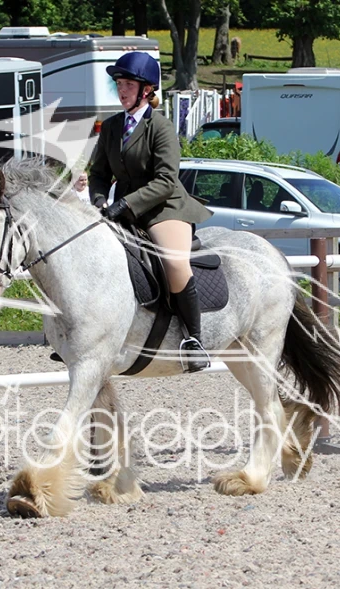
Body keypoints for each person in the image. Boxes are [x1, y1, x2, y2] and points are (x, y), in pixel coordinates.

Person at [89, 52, 213, 373]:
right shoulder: (111, 127)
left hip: (164, 208)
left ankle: (194, 340)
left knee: (173, 261)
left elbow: (166, 180)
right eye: (119, 84)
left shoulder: (161, 127)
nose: (122, 90)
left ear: (146, 90)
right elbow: (98, 173)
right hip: (122, 211)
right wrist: (100, 201)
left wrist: (126, 204)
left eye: (128, 85)